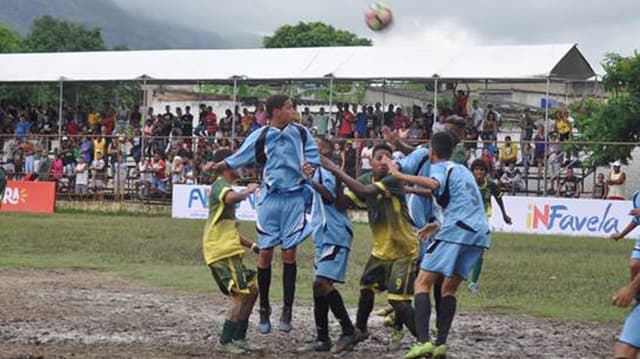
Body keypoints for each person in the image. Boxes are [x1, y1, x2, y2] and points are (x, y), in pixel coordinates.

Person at [205, 94, 320, 334]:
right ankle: (264, 309)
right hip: (270, 198)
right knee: (265, 253)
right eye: (289, 107)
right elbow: (239, 157)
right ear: (276, 111)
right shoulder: (261, 136)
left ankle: (287, 310)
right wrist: (216, 166)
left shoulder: (300, 133)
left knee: (289, 253)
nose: (293, 110)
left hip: (295, 197)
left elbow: (313, 159)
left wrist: (311, 167)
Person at [385, 132, 490, 359]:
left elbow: (433, 184)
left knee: (422, 283)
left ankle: (423, 342)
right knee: (448, 289)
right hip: (479, 233)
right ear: (452, 151)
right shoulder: (463, 171)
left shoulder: (439, 168)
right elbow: (460, 202)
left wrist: (400, 175)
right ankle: (441, 343)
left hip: (458, 229)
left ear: (431, 152)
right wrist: (436, 226)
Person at [320, 143, 418, 351]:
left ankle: (425, 340)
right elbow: (340, 204)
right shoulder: (365, 179)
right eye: (379, 157)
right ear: (371, 161)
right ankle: (360, 330)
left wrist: (336, 169)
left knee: (398, 300)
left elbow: (364, 190)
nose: (384, 162)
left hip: (405, 250)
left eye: (388, 158)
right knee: (366, 287)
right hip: (381, 250)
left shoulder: (393, 180)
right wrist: (337, 178)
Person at [299, 138, 356, 354]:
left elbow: (330, 196)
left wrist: (309, 180)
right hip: (324, 235)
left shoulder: (326, 171)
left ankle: (348, 330)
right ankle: (322, 338)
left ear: (325, 152)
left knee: (321, 283)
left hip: (335, 233)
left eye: (315, 146)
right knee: (318, 286)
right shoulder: (317, 171)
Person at [203, 149, 261, 354]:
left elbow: (231, 231)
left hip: (229, 249)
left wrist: (253, 246)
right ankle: (225, 341)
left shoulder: (229, 187)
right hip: (221, 251)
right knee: (238, 294)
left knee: (252, 290)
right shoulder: (221, 185)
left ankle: (239, 337)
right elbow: (230, 198)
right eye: (239, 163)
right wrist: (249, 191)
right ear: (227, 167)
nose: (242, 167)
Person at [468, 159, 512, 294]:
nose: (479, 172)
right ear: (473, 170)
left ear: (485, 172)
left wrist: (504, 214)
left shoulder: (491, 185)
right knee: (463, 249)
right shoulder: (468, 184)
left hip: (482, 221)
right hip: (467, 220)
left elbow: (499, 198)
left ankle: (473, 283)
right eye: (477, 169)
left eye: (482, 169)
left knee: (480, 251)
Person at [609, 190, 640, 359]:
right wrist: (621, 234)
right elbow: (636, 220)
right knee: (624, 351)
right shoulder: (637, 195)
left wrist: (631, 288)